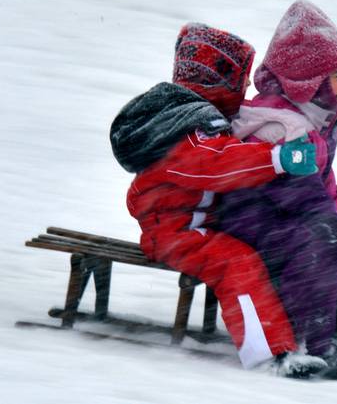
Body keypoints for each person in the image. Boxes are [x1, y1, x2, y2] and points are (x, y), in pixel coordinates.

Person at [109, 22, 323, 375]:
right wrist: (277, 158)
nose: (248, 87)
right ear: (219, 82)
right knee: (237, 263)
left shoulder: (191, 119)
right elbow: (215, 165)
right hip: (178, 232)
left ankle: (298, 331)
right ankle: (271, 355)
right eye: (242, 80)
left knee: (271, 242)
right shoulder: (188, 134)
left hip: (196, 221)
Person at [218, 0, 337, 373]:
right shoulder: (284, 130)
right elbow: (313, 207)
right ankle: (316, 340)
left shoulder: (310, 117)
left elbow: (327, 191)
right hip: (251, 223)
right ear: (310, 82)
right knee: (321, 234)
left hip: (284, 214)